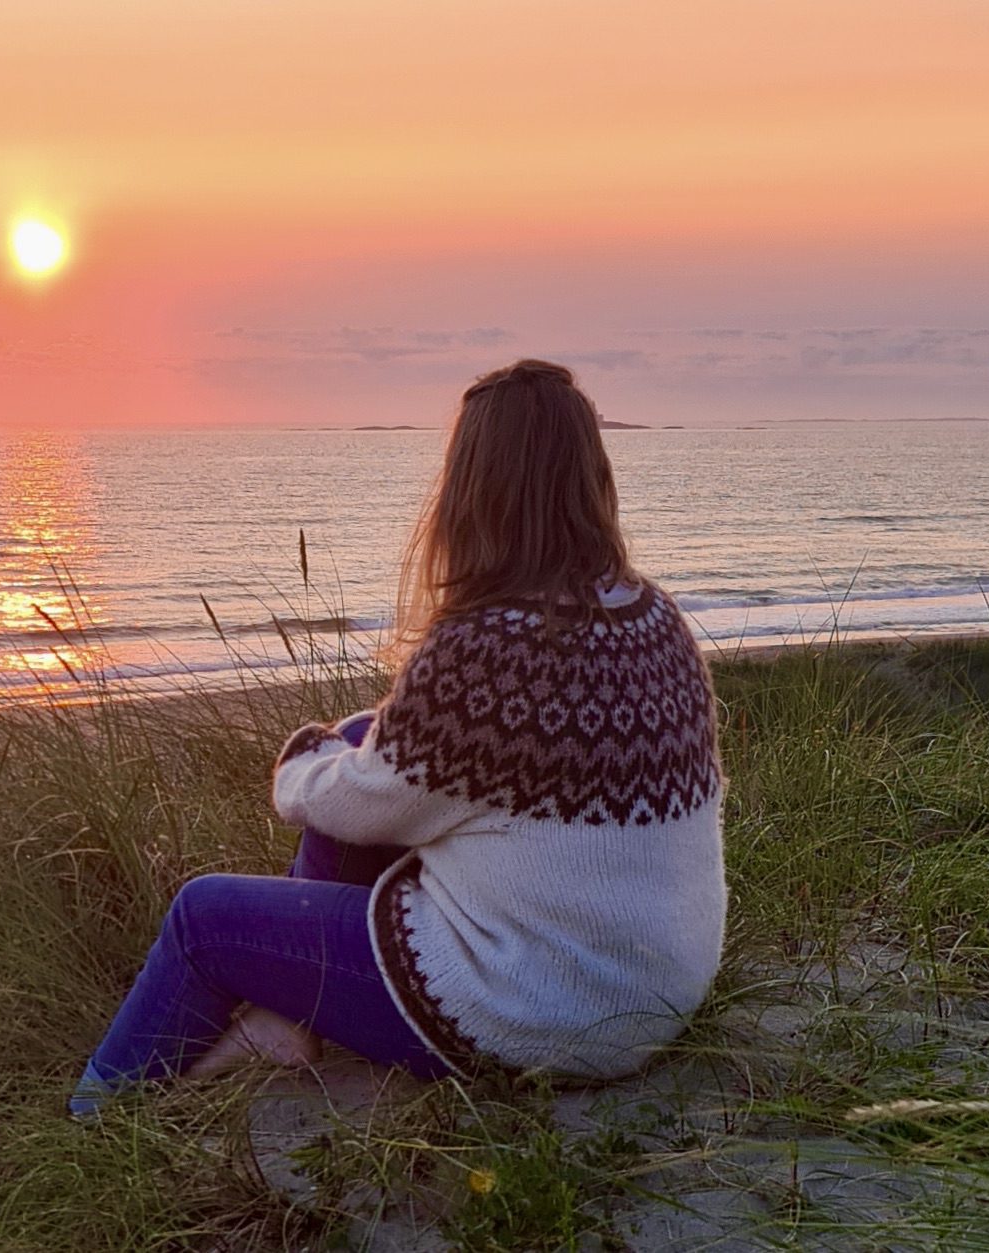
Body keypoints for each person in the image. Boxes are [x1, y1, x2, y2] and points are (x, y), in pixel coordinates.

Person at [71, 359, 726, 1118]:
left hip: (538, 1014)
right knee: (363, 740)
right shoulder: (655, 619)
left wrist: (299, 765)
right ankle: (291, 1019)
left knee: (201, 919)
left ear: (473, 487)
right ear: (590, 478)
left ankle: (93, 1116)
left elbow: (353, 803)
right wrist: (348, 748)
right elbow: (423, 768)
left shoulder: (484, 648)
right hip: (654, 997)